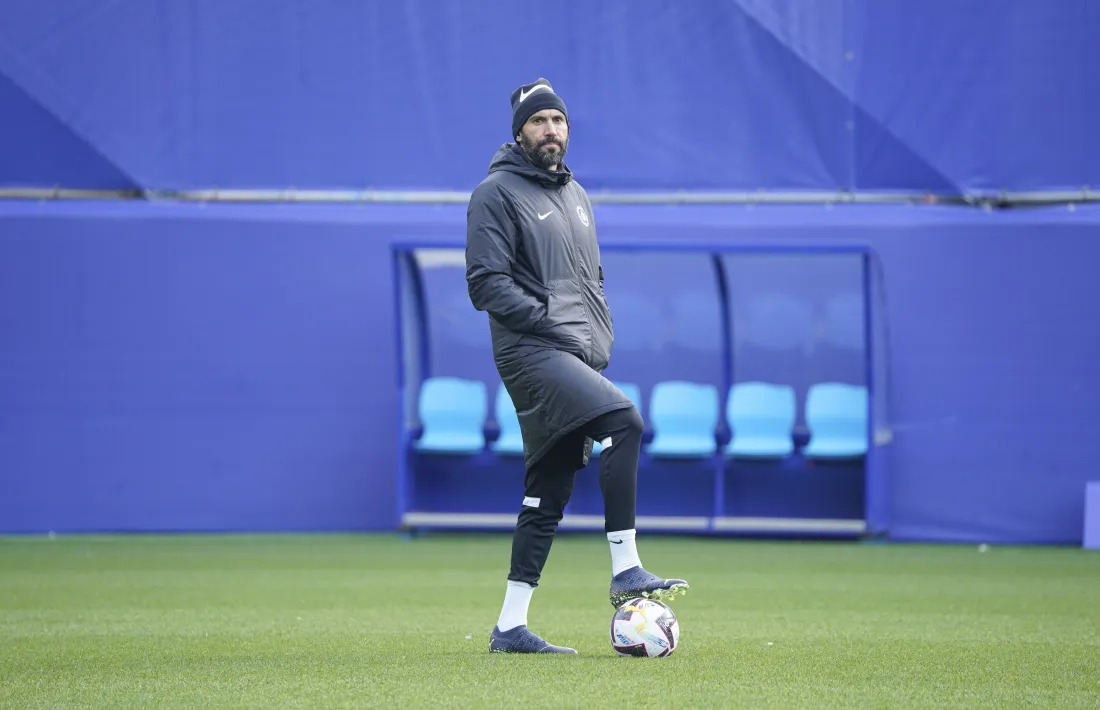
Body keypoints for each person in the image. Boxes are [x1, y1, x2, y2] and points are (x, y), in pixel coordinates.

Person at [465, 78, 689, 655]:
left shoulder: (577, 195)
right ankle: (626, 567)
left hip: (571, 351)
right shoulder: (495, 193)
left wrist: (594, 334)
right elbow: (485, 284)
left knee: (548, 490)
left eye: (558, 121)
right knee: (625, 421)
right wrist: (545, 319)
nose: (550, 131)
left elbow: (589, 284)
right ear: (519, 132)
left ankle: (510, 628)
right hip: (531, 350)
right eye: (539, 122)